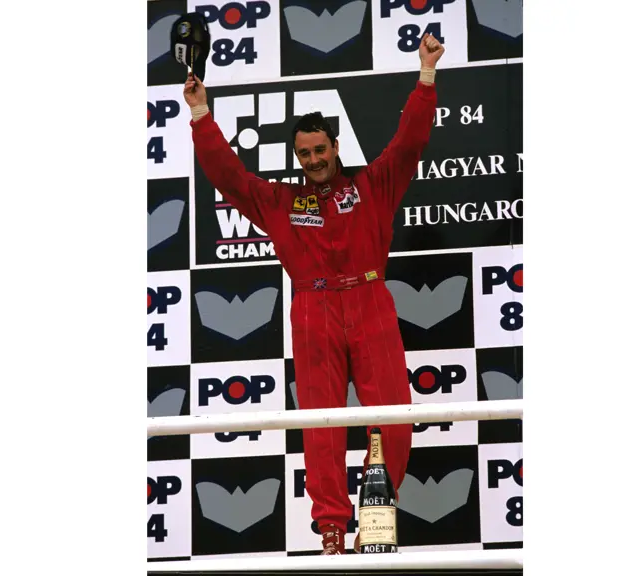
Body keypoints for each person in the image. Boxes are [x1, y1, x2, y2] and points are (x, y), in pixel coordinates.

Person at [184, 34, 444, 555]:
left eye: (320, 150)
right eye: (303, 153)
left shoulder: (372, 185)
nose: (312, 159)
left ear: (335, 147)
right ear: (296, 155)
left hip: (370, 300)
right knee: (319, 424)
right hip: (313, 309)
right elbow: (227, 176)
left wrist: (426, 75)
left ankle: (377, 514)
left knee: (392, 413)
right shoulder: (281, 200)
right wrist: (200, 115)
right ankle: (330, 530)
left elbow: (410, 142)